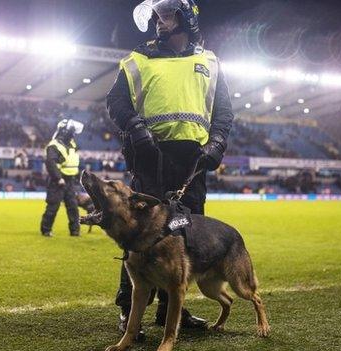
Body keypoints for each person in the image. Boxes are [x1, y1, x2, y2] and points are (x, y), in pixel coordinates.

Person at [106, 0, 234, 339]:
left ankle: (171, 310)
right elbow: (115, 101)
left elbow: (223, 113)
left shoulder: (210, 62)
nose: (160, 21)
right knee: (138, 236)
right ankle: (126, 308)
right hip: (150, 155)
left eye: (168, 14)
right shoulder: (138, 59)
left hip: (193, 161)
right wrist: (134, 126)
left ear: (187, 17)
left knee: (186, 237)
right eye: (158, 15)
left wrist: (217, 143)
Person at [39, 119, 83, 237]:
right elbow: (51, 163)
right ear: (65, 131)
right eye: (72, 131)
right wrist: (58, 178)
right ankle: (46, 230)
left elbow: (73, 162)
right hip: (58, 181)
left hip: (70, 180)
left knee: (73, 207)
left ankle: (75, 231)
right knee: (53, 206)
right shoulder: (54, 146)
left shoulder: (72, 144)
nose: (73, 134)